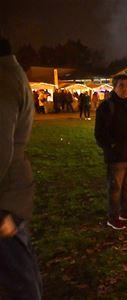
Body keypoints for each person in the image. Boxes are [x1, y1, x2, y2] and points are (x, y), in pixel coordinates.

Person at [0, 36, 42, 299]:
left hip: (5, 195)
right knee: (20, 272)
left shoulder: (3, 80)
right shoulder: (12, 75)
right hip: (11, 192)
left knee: (18, 281)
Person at [95, 74, 127, 230]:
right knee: (115, 188)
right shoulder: (107, 107)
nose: (125, 88)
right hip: (117, 157)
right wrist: (113, 147)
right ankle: (113, 217)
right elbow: (100, 133)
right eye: (121, 85)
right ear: (114, 87)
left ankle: (125, 212)